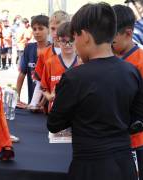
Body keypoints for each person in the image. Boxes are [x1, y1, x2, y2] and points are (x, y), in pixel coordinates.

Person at [47, 3, 142, 180]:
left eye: (74, 37)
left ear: (84, 36)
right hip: (125, 164)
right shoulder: (131, 72)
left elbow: (54, 123)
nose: (74, 44)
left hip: (90, 166)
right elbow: (137, 119)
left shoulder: (75, 77)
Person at [112, 4, 143, 178]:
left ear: (128, 33)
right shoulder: (105, 56)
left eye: (113, 37)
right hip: (110, 139)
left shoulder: (140, 61)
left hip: (135, 139)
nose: (108, 41)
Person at [28, 10, 70, 111]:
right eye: (53, 29)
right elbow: (40, 81)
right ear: (49, 29)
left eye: (60, 28)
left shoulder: (76, 53)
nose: (56, 33)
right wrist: (34, 103)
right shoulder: (45, 54)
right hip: (50, 109)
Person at [16, 15, 50, 108]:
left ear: (49, 30)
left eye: (40, 28)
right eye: (34, 29)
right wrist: (17, 96)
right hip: (32, 100)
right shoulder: (29, 48)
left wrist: (43, 101)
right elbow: (22, 74)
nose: (37, 32)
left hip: (49, 102)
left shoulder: (53, 50)